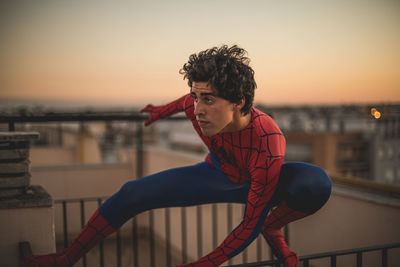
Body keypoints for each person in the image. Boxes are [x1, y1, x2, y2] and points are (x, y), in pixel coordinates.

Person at [21, 45, 332, 267]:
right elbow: (182, 100)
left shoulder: (267, 140)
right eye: (197, 97)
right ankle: (66, 258)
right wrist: (159, 111)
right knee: (131, 192)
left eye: (208, 100)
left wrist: (205, 263)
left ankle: (274, 229)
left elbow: (248, 224)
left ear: (238, 102)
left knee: (315, 183)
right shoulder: (194, 106)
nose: (198, 109)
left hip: (254, 182)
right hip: (214, 173)